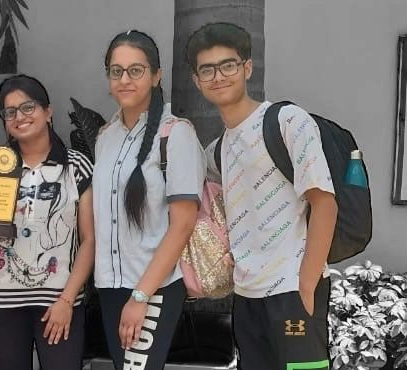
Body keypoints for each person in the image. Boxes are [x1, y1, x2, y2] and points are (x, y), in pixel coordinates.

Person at [187, 22, 336, 370]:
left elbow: (324, 203)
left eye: (228, 65)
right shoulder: (217, 150)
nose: (218, 76)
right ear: (196, 80)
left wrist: (307, 284)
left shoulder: (287, 121)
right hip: (246, 297)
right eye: (207, 69)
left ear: (247, 68)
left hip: (292, 291)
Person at [92, 30, 205, 370]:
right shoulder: (105, 138)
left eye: (136, 70)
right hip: (110, 284)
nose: (124, 79)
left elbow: (182, 225)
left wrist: (141, 296)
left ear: (156, 76)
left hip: (152, 286)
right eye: (116, 71)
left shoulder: (176, 134)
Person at [0, 74, 95, 370]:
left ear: (47, 111)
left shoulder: (76, 166)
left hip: (59, 299)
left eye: (28, 108)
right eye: (9, 112)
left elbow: (89, 239)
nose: (19, 117)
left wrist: (67, 300)